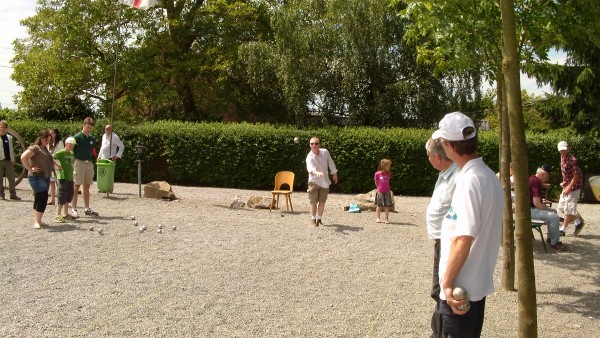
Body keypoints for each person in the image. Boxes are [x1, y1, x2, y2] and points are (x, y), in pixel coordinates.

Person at [432, 112, 503, 337]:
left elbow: (464, 237)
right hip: (474, 288)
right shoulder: (488, 175)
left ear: (450, 147)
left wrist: (447, 282)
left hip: (459, 291)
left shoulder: (469, 180)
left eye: (443, 143)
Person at [425, 137, 459, 338]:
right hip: (441, 241)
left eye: (429, 156)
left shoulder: (457, 176)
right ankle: (437, 333)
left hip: (449, 243)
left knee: (442, 290)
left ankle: (441, 334)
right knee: (438, 291)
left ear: (437, 157)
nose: (428, 159)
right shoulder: (444, 173)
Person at [20, 130, 54, 228]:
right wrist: (30, 169)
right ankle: (37, 222)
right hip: (37, 177)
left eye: (49, 141)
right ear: (41, 138)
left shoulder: (44, 148)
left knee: (38, 198)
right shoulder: (35, 148)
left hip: (44, 176)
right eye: (46, 140)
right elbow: (23, 157)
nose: (47, 142)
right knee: (43, 198)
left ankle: (38, 220)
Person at [529, 164, 565, 251]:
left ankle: (550, 238)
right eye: (548, 176)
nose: (547, 179)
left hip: (528, 209)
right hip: (530, 211)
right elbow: (537, 203)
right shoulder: (536, 182)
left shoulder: (532, 178)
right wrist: (549, 209)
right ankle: (555, 243)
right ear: (543, 174)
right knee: (554, 216)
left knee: (553, 214)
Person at [306, 136, 338, 226]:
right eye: (312, 144)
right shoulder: (309, 157)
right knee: (313, 202)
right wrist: (316, 172)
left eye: (316, 143)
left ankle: (319, 219)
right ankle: (313, 219)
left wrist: (334, 173)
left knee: (322, 201)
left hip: (325, 181)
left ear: (319, 144)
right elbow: (310, 168)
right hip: (314, 182)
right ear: (310, 145)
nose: (314, 145)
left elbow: (330, 163)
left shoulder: (325, 152)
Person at [71, 117, 99, 218]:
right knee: (76, 185)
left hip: (89, 163)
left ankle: (87, 208)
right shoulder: (77, 137)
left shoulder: (92, 138)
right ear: (83, 125)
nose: (89, 129)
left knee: (87, 186)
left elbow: (92, 149)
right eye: (87, 127)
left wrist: (96, 156)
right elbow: (71, 150)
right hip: (79, 162)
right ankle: (74, 208)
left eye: (90, 128)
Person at [557, 141, 585, 236]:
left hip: (574, 187)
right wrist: (564, 184)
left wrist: (569, 187)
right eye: (561, 150)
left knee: (568, 209)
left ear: (568, 148)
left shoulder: (572, 160)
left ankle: (563, 229)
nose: (563, 151)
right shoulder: (562, 158)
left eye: (564, 149)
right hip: (566, 186)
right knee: (561, 207)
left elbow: (576, 175)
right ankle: (578, 220)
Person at [52, 137, 77, 223]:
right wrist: (58, 166)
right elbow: (51, 157)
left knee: (68, 196)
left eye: (73, 146)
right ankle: (57, 215)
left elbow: (72, 162)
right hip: (63, 177)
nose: (71, 147)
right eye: (70, 145)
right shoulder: (61, 153)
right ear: (66, 144)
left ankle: (65, 214)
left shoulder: (72, 153)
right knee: (61, 196)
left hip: (70, 177)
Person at [0, 120, 21, 200]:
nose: (2, 129)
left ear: (6, 129)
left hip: (8, 160)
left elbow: (11, 149)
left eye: (4, 127)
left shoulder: (9, 138)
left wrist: (13, 158)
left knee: (11, 178)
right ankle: (1, 195)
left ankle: (13, 194)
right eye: (1, 127)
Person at [47, 128, 64, 205]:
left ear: (56, 134)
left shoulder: (60, 142)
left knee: (58, 183)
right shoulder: (49, 142)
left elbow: (62, 153)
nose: (51, 135)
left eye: (53, 133)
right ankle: (52, 199)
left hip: (58, 164)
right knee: (52, 182)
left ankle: (60, 199)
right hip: (50, 164)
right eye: (50, 133)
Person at [374, 158, 392, 224]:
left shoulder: (388, 174)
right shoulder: (377, 174)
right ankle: (378, 218)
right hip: (380, 191)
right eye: (388, 166)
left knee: (387, 206)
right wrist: (378, 188)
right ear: (384, 166)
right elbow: (376, 182)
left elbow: (388, 182)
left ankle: (386, 219)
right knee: (379, 205)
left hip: (387, 191)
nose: (389, 167)